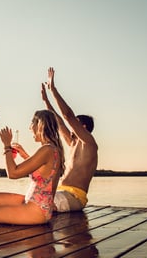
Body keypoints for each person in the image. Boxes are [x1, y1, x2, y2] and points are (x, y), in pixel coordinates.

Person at [0, 110, 65, 225]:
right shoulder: (52, 149)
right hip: (34, 204)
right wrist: (24, 154)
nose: (30, 128)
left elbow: (13, 173)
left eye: (32, 123)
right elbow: (42, 171)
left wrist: (7, 146)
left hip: (36, 210)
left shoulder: (47, 150)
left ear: (40, 125)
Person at [41, 67, 98, 212]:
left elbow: (67, 116)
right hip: (61, 192)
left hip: (74, 197)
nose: (71, 126)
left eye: (75, 124)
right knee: (32, 199)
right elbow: (58, 120)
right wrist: (46, 100)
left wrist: (53, 90)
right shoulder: (73, 143)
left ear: (83, 127)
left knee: (36, 204)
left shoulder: (89, 143)